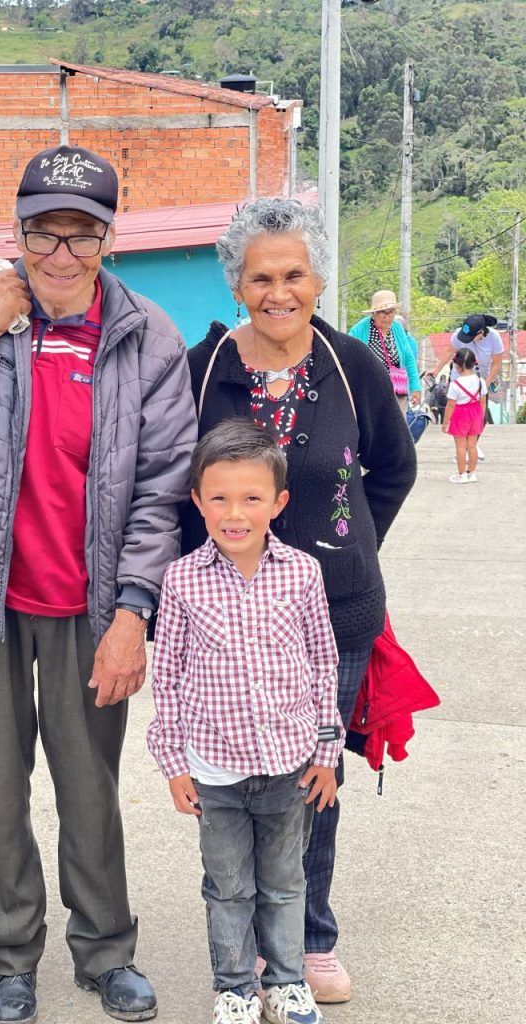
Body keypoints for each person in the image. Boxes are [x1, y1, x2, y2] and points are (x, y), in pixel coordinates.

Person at [0, 144, 198, 1024]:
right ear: (16, 230)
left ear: (107, 239)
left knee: (89, 785)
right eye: (41, 233)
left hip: (89, 607)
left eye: (81, 235)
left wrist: (135, 610)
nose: (59, 254)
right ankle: (11, 953)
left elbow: (161, 490)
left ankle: (104, 952)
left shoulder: (148, 337)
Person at [182, 198, 417, 1005]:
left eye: (294, 275)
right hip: (226, 625)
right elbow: (180, 489)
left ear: (317, 279)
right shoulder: (205, 372)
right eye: (261, 277)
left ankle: (311, 937)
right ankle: (248, 947)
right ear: (237, 285)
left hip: (336, 622)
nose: (278, 291)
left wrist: (349, 554)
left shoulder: (351, 364)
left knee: (311, 781)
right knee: (235, 787)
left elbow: (393, 469)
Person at [148, 419, 343, 1024]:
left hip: (289, 767)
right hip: (215, 770)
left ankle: (287, 983)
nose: (235, 513)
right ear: (198, 501)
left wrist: (326, 755)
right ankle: (234, 987)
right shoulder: (181, 580)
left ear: (278, 503)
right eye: (220, 498)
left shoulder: (302, 574)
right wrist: (174, 763)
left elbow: (323, 663)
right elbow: (169, 676)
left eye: (252, 498)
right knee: (227, 886)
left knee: (286, 884)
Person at [430, 313, 504, 460]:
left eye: (470, 337)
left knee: (479, 416)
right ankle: (463, 448)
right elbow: (449, 351)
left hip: (481, 380)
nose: (467, 340)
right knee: (459, 415)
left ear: (481, 333)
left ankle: (472, 445)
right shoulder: (460, 334)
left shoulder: (494, 338)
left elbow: (496, 364)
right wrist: (436, 369)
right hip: (460, 379)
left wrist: (485, 384)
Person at [348, 290, 422, 409]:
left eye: (391, 312)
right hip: (370, 393)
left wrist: (415, 387)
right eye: (383, 313)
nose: (387, 317)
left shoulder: (397, 328)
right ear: (374, 313)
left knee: (397, 426)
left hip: (397, 391)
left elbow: (409, 359)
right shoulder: (359, 330)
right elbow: (349, 360)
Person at [442, 347, 486, 484]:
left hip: (460, 415)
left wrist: (445, 423)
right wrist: (480, 417)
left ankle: (461, 475)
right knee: (472, 445)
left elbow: (450, 405)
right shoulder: (480, 381)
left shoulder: (455, 385)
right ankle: (472, 473)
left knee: (460, 446)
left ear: (457, 366)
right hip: (476, 413)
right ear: (474, 363)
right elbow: (483, 401)